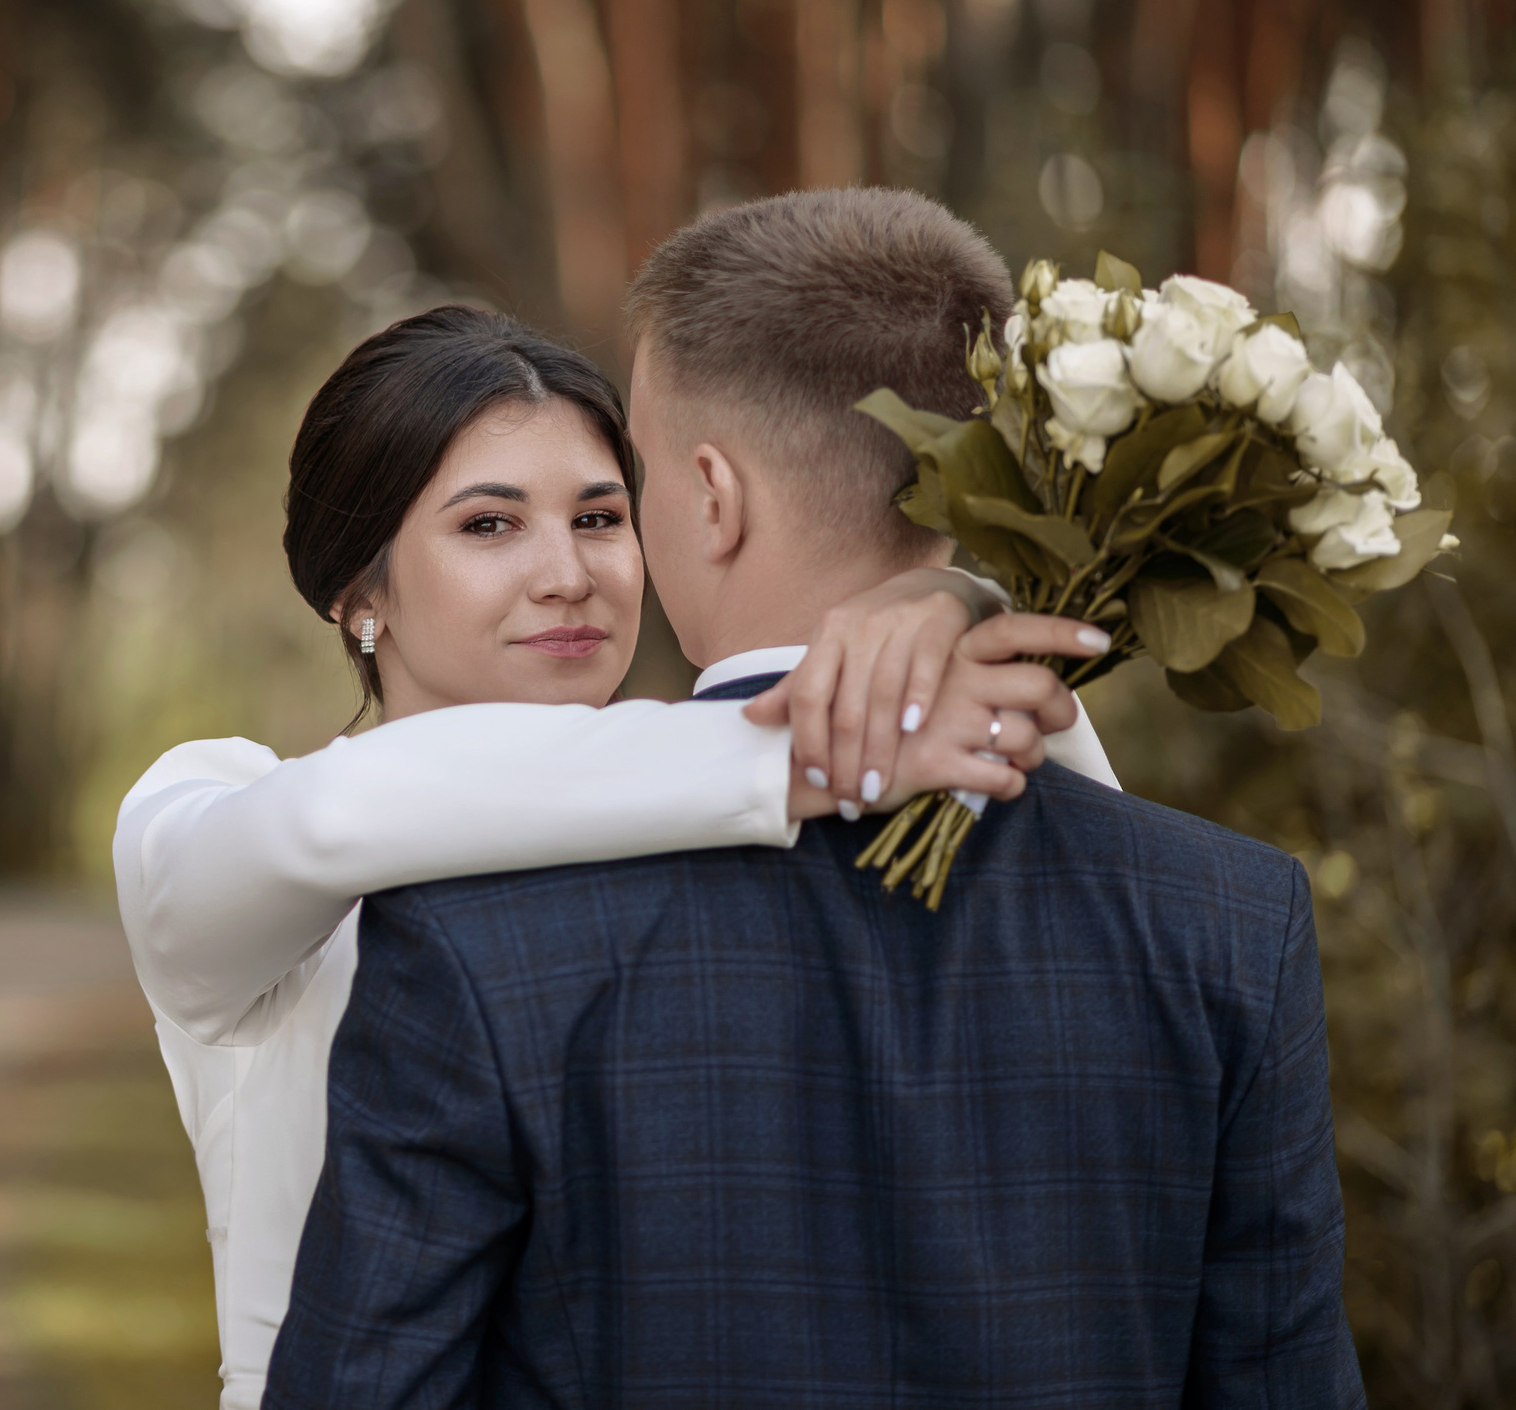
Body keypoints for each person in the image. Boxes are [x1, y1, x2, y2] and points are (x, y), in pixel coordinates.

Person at [262, 190, 1364, 1408]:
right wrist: (969, 596)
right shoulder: (1230, 924)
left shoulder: (476, 933)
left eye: (614, 494)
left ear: (709, 497)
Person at [115, 303, 1117, 1410]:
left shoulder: (691, 820)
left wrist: (950, 605)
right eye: (489, 526)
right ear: (359, 595)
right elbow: (333, 818)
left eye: (599, 517)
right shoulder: (208, 807)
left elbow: (1095, 886)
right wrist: (836, 730)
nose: (568, 576)